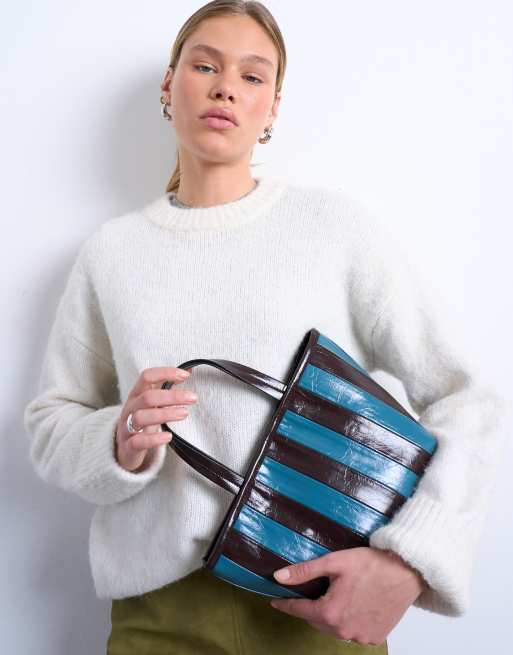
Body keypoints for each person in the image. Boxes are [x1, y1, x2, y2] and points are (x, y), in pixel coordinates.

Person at [22, 1, 507, 653]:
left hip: (319, 605)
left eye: (252, 76)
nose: (225, 86)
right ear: (169, 84)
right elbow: (52, 419)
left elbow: (466, 397)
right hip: (159, 616)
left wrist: (408, 560)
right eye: (204, 66)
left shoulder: (334, 229)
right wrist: (118, 439)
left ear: (272, 108)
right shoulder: (111, 253)